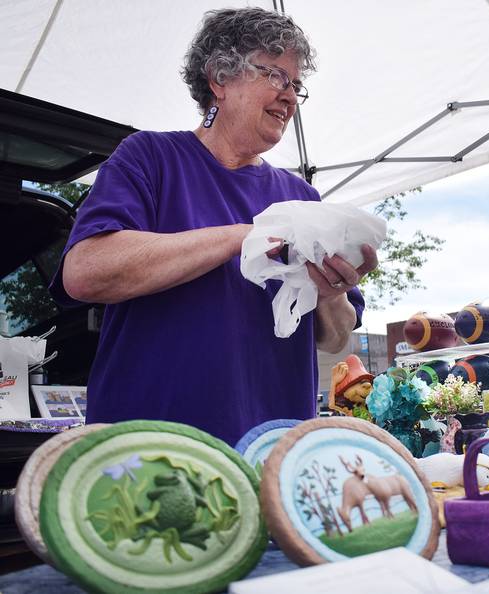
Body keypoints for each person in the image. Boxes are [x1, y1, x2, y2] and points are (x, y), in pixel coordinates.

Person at [50, 8, 378, 446]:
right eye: (277, 76)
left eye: (297, 85)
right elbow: (85, 271)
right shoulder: (149, 157)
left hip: (269, 452)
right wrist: (239, 237)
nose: (291, 97)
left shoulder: (302, 200)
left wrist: (331, 290)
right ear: (220, 79)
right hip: (149, 449)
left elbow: (336, 338)